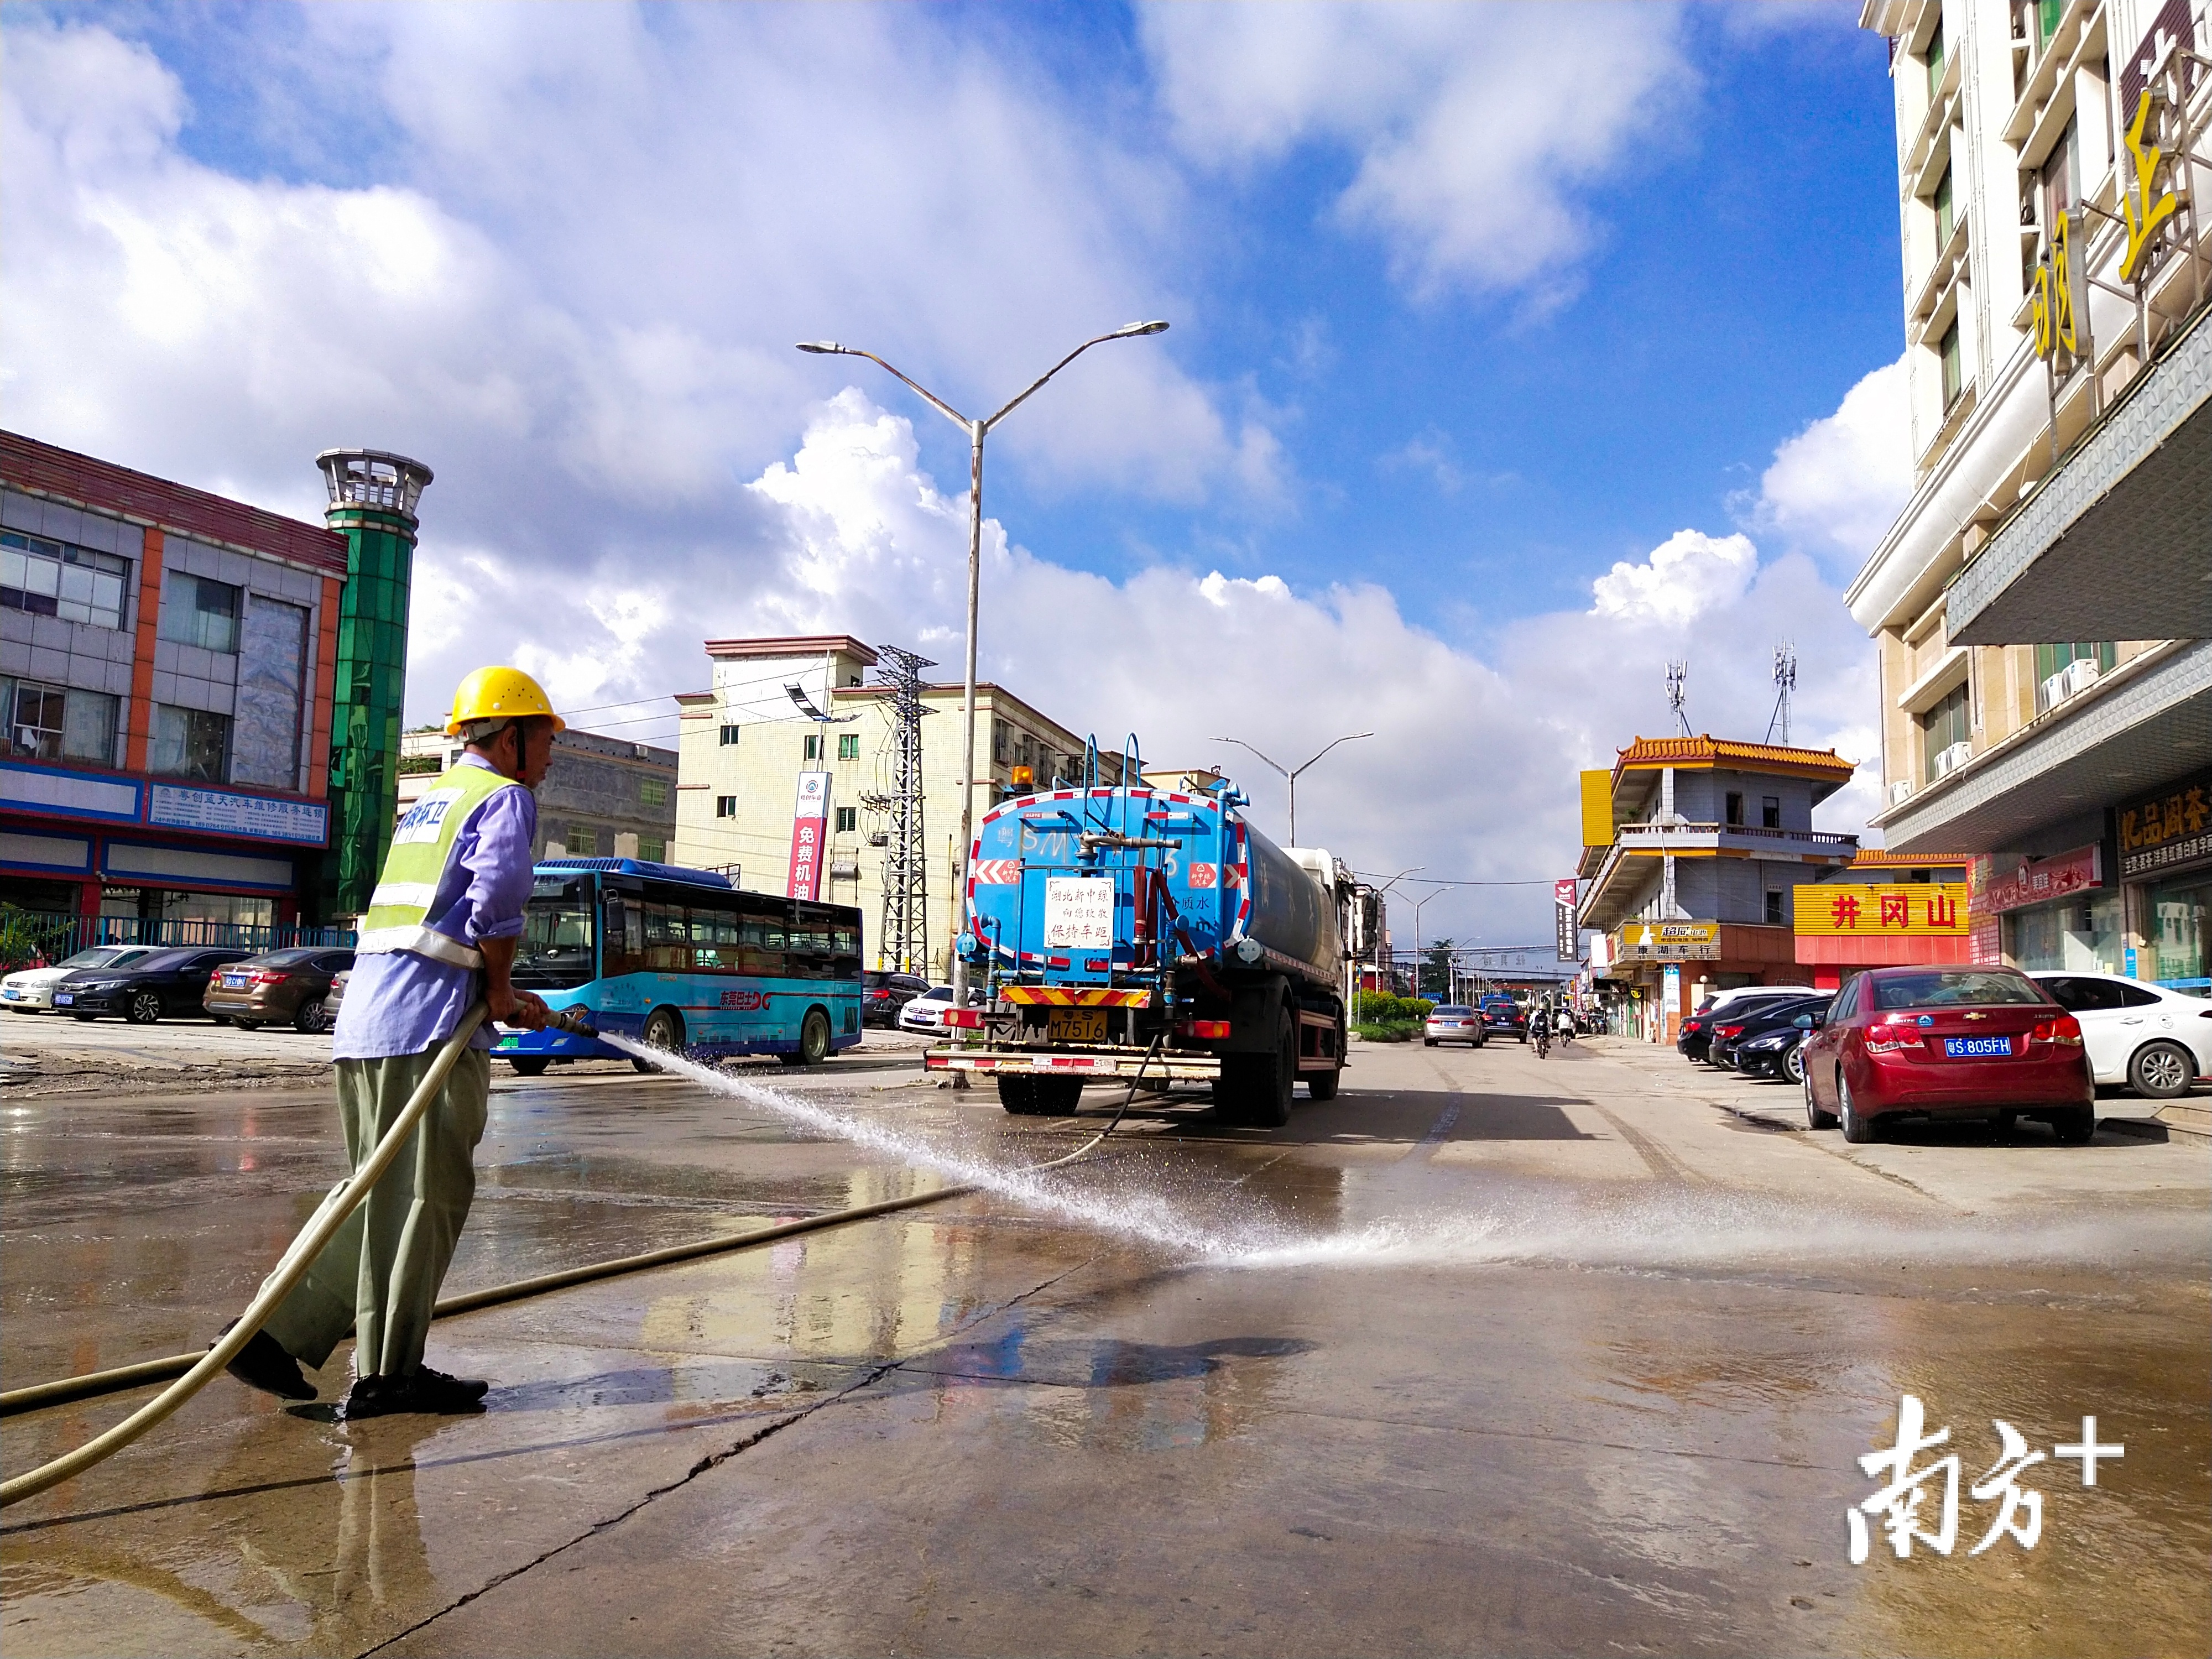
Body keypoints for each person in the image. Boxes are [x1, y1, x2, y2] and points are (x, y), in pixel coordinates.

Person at [222, 667, 560, 1420]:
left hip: (368, 1021)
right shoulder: (505, 798)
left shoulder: (432, 804)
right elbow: (496, 897)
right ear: (511, 738)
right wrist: (499, 992)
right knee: (425, 1200)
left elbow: (434, 919)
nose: (549, 758)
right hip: (431, 1027)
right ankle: (386, 1376)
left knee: (378, 1193)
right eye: (544, 740)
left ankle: (273, 1333)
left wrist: (496, 989)